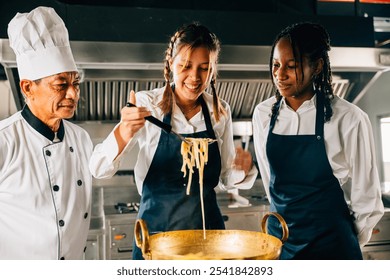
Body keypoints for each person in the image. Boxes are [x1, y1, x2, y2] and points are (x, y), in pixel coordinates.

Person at [89, 22, 258, 260]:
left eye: (204, 68)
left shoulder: (220, 111)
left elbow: (225, 179)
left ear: (213, 70)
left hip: (208, 239)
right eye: (185, 66)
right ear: (170, 64)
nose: (195, 77)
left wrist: (244, 169)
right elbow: (98, 169)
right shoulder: (148, 105)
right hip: (158, 240)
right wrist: (125, 130)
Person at [252, 22, 384, 260]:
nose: (280, 75)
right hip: (281, 243)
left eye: (291, 66)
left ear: (317, 66)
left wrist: (343, 243)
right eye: (275, 65)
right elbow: (269, 178)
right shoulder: (263, 114)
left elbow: (366, 198)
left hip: (331, 244)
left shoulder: (348, 118)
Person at [0, 6, 93, 259]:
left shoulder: (81, 139)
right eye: (60, 85)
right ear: (28, 88)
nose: (73, 93)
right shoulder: (5, 141)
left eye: (75, 83)